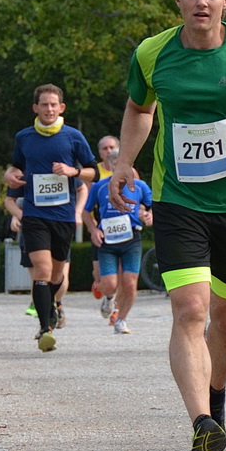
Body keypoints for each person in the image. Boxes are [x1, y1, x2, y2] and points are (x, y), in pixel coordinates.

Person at [110, 0, 226, 451]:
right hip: (178, 202)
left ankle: (215, 396)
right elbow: (139, 109)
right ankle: (202, 421)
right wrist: (123, 165)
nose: (202, 2)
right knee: (190, 312)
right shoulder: (153, 52)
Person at [6, 86, 98, 350]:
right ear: (35, 108)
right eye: (43, 105)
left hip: (63, 215)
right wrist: (9, 174)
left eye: (53, 105)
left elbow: (94, 173)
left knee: (57, 274)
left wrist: (72, 171)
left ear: (61, 108)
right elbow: (16, 167)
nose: (48, 109)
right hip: (35, 214)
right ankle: (45, 327)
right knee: (42, 271)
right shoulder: (24, 137)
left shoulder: (73, 137)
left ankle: (55, 305)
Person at [85, 167, 152, 334]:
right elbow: (85, 211)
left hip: (131, 239)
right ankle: (109, 299)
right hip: (107, 241)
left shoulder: (140, 186)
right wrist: (94, 230)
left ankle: (121, 319)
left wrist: (150, 215)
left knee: (130, 283)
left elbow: (154, 204)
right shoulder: (99, 186)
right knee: (109, 284)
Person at [91, 135, 121, 319]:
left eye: (112, 147)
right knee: (99, 274)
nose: (109, 151)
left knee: (122, 273)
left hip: (124, 230)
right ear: (100, 152)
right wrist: (93, 228)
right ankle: (106, 293)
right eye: (105, 148)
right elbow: (87, 201)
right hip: (102, 228)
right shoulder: (94, 173)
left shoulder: (129, 171)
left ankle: (117, 310)